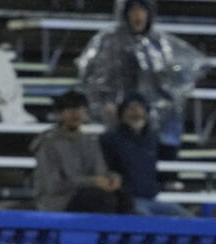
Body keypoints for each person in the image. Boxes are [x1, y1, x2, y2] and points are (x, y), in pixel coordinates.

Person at [77, 0, 205, 157]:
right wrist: (107, 102)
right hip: (115, 115)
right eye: (133, 10)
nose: (138, 15)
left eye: (141, 10)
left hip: (153, 114)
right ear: (126, 14)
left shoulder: (160, 44)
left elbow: (185, 70)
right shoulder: (109, 41)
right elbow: (92, 76)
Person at [32, 90, 129, 214]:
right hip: (58, 201)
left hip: (87, 194)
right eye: (71, 110)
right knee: (102, 199)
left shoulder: (89, 141)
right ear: (61, 113)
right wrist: (93, 182)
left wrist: (111, 178)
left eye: (80, 110)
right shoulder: (47, 143)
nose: (76, 114)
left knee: (123, 195)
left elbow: (100, 171)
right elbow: (53, 185)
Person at [99, 93, 188, 217]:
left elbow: (166, 166)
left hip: (151, 198)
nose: (136, 112)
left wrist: (163, 184)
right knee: (146, 219)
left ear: (146, 112)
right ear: (122, 113)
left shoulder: (152, 139)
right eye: (131, 108)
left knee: (184, 218)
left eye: (140, 107)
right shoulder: (109, 139)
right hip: (126, 201)